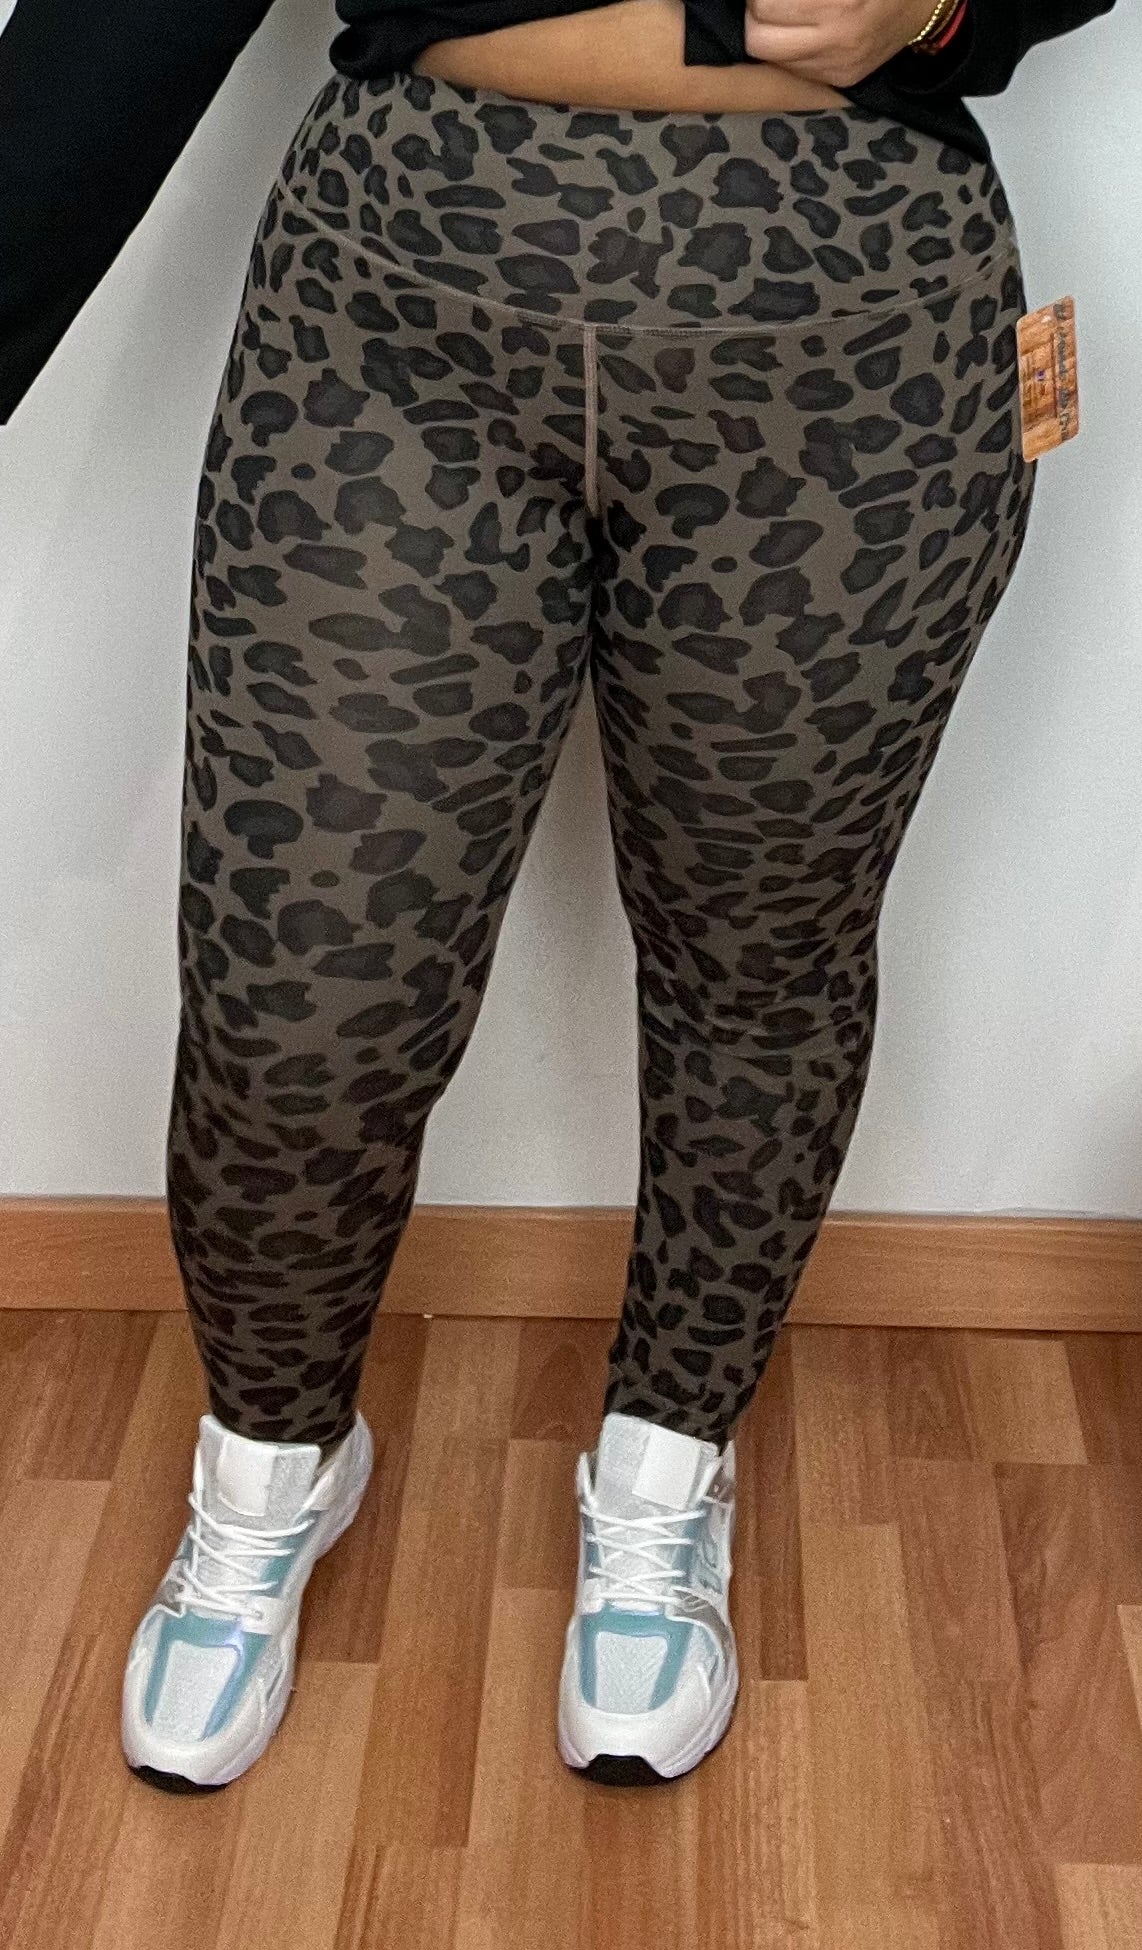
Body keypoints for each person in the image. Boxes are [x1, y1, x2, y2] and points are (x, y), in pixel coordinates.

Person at [0, 0, 1117, 1792]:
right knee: (300, 998)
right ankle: (269, 1466)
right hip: (398, 302)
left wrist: (946, 5)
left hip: (855, 325)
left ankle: (665, 1471)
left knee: (761, 953)